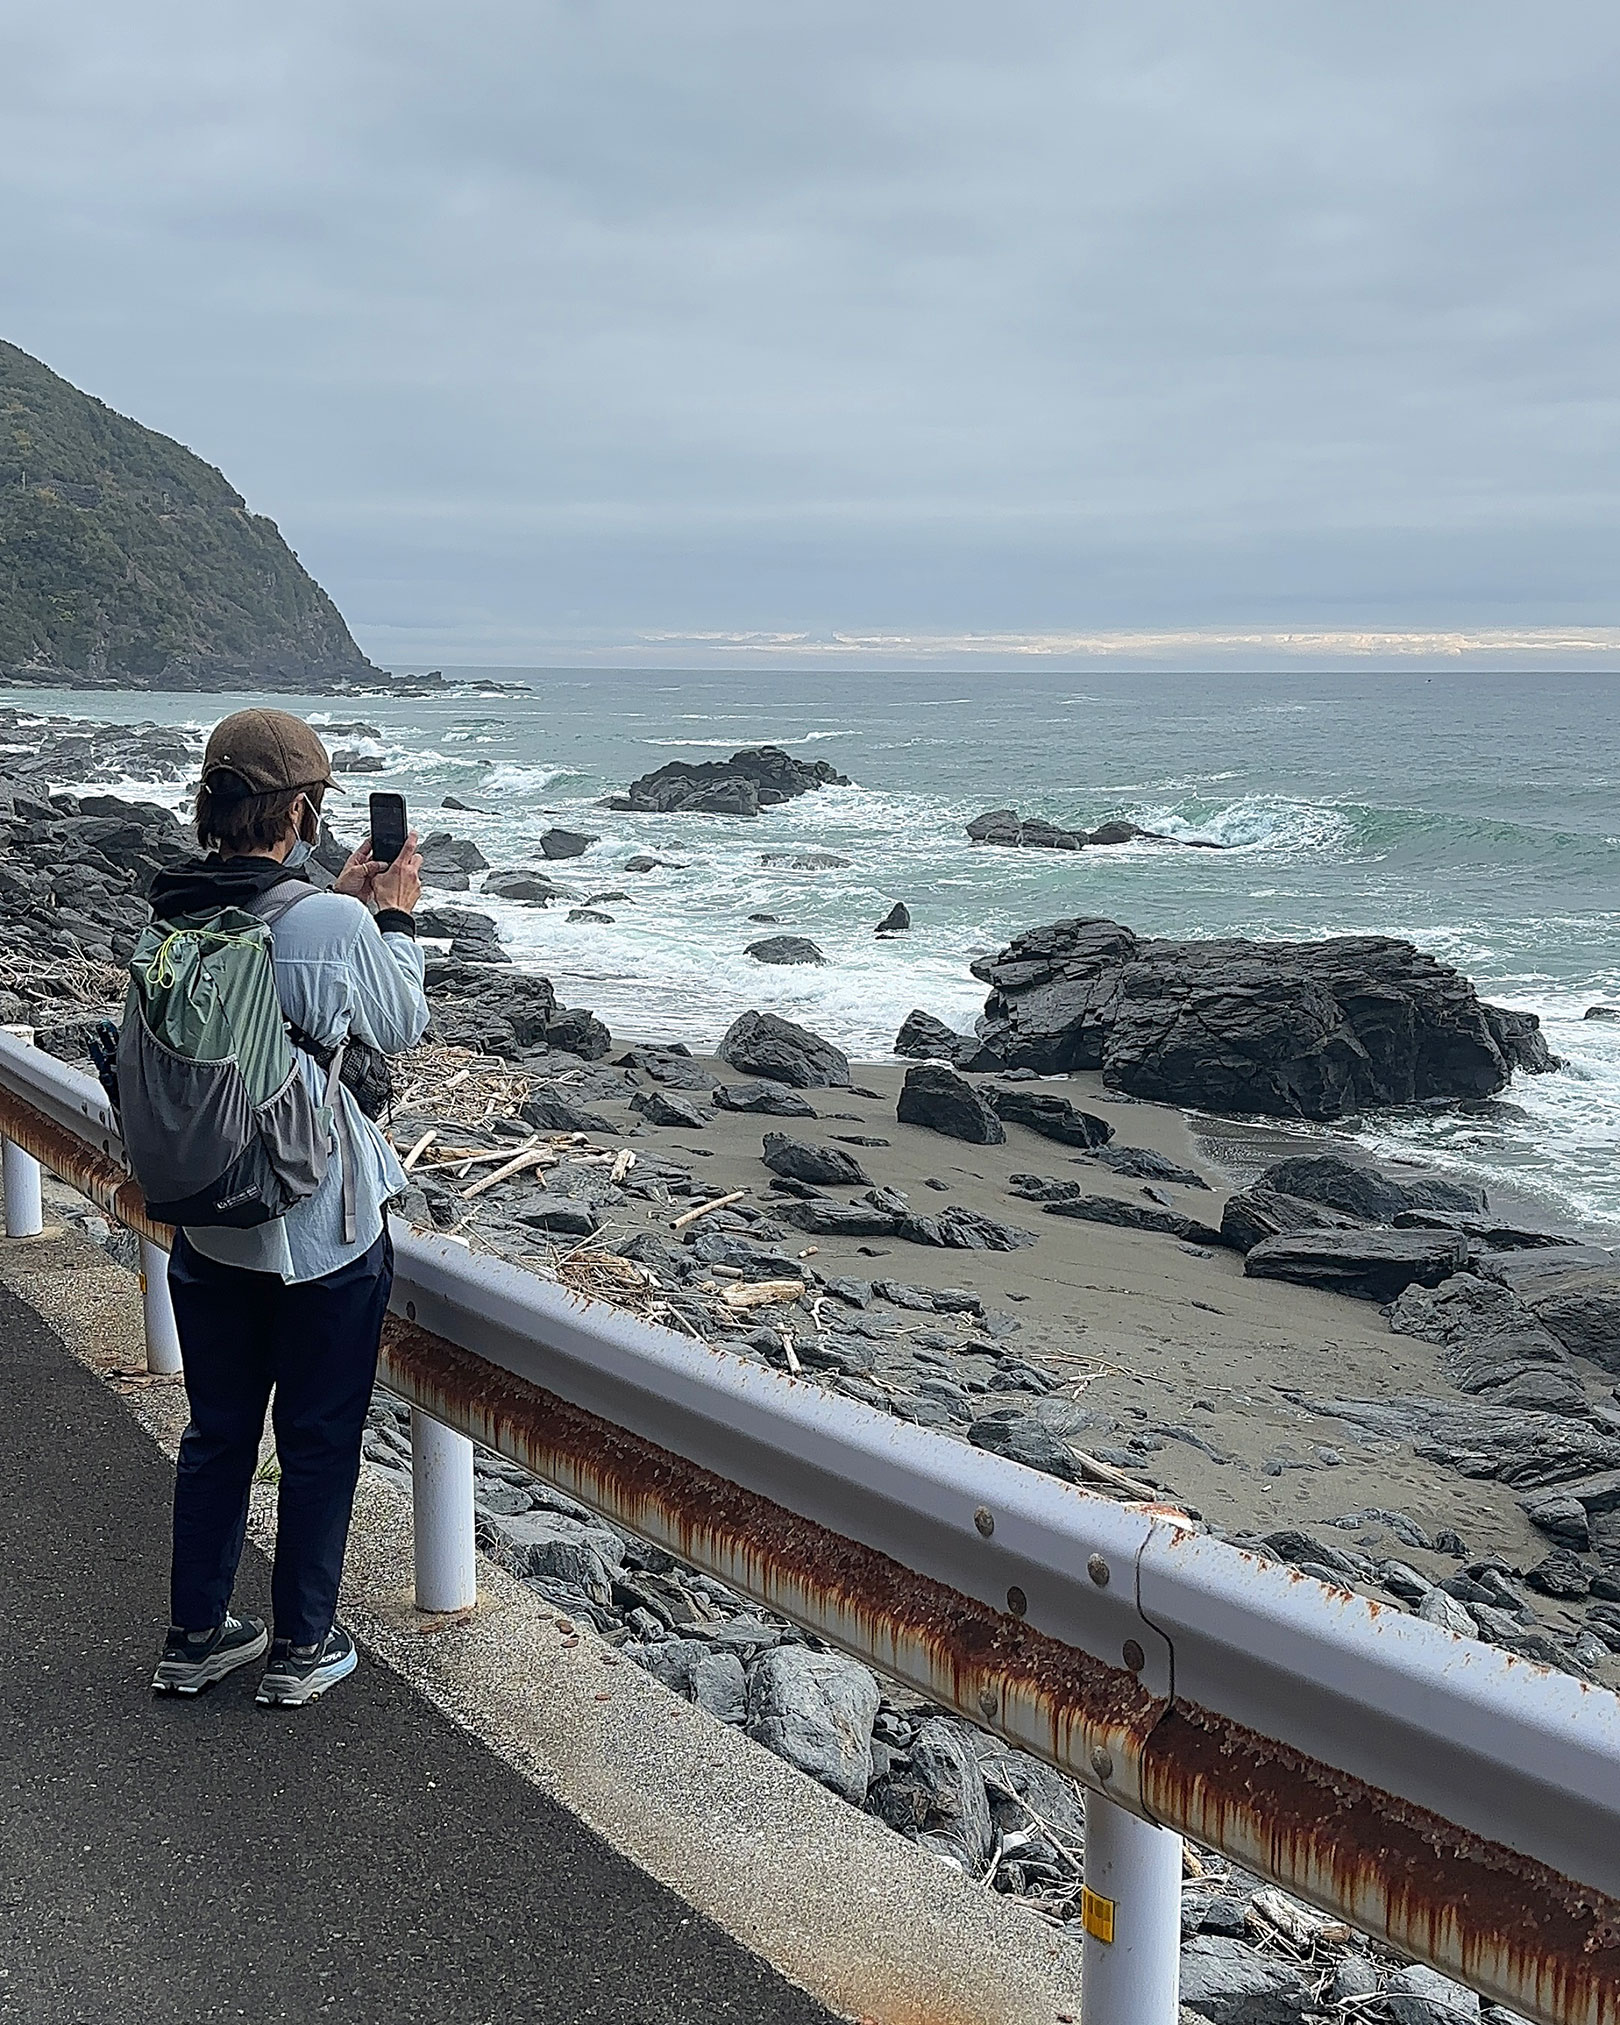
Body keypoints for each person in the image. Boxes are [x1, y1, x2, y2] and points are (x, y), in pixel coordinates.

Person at [147, 708, 428, 1708]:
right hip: (319, 1228)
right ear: (302, 811)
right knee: (316, 1439)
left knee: (218, 1431)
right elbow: (400, 1020)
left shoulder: (171, 913)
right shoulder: (330, 922)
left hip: (207, 1220)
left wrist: (336, 900)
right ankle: (303, 1646)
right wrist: (388, 914)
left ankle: (195, 1637)